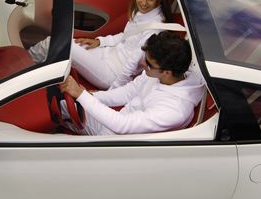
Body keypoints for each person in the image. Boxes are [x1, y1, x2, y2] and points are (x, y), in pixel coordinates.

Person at [29, 0, 170, 89]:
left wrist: (113, 89)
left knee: (56, 44)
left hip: (111, 74)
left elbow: (133, 63)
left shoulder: (154, 30)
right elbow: (125, 36)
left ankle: (23, 71)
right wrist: (100, 42)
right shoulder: (141, 13)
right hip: (107, 54)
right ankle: (30, 68)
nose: (144, 3)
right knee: (55, 43)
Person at [58, 31, 205, 136]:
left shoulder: (174, 110)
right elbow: (128, 92)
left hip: (114, 141)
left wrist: (81, 95)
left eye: (148, 63)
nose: (142, 64)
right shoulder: (157, 74)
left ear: (166, 72)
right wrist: (91, 96)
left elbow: (122, 125)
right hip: (113, 121)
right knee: (60, 105)